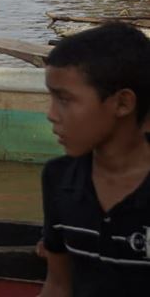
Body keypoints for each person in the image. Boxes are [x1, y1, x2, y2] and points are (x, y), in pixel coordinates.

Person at [39, 22, 150, 296]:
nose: (51, 114)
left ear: (122, 103)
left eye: (64, 99)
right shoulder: (59, 179)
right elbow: (58, 286)